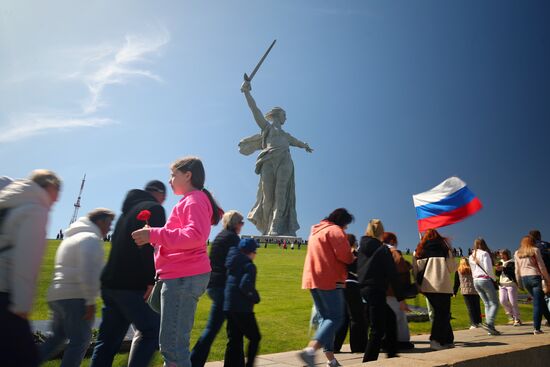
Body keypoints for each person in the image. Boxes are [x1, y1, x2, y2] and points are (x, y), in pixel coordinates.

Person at [132, 156, 222, 367]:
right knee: (171, 346)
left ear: (188, 175)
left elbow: (194, 236)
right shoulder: (190, 200)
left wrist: (154, 235)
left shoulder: (194, 200)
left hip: (184, 277)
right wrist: (154, 238)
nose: (170, 180)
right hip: (177, 276)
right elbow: (181, 237)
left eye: (173, 174)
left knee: (172, 347)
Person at [91, 180, 167, 367]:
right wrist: (151, 280)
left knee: (106, 342)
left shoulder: (125, 213)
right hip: (133, 285)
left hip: (111, 284)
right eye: (164, 195)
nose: (164, 200)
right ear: (157, 193)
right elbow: (149, 245)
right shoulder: (154, 209)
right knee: (151, 331)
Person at [0, 170, 61, 367]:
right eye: (57, 189)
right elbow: (26, 260)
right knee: (25, 359)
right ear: (49, 186)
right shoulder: (35, 209)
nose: (57, 198)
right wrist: (22, 306)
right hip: (6, 292)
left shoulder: (10, 200)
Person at [39, 208, 115, 367]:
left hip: (57, 295)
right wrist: (90, 300)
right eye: (108, 223)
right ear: (100, 221)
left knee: (56, 339)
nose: (110, 228)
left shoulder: (70, 238)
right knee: (81, 341)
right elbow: (87, 271)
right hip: (76, 296)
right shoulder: (91, 239)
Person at [239, 79, 313, 236]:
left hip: (285, 161)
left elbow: (297, 142)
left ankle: (275, 227)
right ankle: (266, 228)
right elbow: (255, 110)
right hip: (268, 160)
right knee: (267, 198)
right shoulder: (267, 127)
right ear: (278, 115)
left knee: (281, 194)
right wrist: (247, 92)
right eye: (284, 115)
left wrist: (305, 145)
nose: (286, 118)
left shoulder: (286, 136)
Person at [299, 208, 355, 367]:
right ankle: (310, 351)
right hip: (329, 279)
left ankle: (331, 359)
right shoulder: (334, 230)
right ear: (342, 221)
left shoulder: (316, 231)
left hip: (313, 279)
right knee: (336, 318)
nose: (346, 228)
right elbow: (345, 255)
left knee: (326, 319)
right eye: (346, 225)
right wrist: (353, 255)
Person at [190, 210, 245, 367]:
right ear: (235, 223)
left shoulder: (220, 237)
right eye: (241, 222)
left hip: (215, 286)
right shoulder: (232, 238)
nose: (242, 226)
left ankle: (194, 362)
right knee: (234, 330)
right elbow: (235, 265)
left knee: (213, 329)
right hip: (225, 288)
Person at [358, 220, 406, 362]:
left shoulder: (361, 248)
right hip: (376, 289)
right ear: (381, 233)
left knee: (390, 318)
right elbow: (392, 274)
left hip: (364, 289)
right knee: (377, 329)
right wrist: (401, 299)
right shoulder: (383, 249)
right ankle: (368, 362)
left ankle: (391, 354)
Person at [413, 229, 457, 350]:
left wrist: (418, 285)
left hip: (427, 286)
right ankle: (435, 340)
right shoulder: (445, 249)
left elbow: (415, 270)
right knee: (442, 313)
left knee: (441, 313)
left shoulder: (419, 251)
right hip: (442, 285)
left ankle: (448, 340)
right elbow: (452, 268)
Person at [223, 238, 261, 367]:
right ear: (250, 252)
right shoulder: (249, 265)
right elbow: (245, 284)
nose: (255, 254)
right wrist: (255, 297)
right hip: (242, 309)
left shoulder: (233, 262)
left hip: (228, 306)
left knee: (234, 340)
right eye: (255, 251)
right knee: (255, 337)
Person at [333, 234, 367, 353]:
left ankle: (335, 345)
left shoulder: (339, 254)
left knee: (342, 317)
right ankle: (358, 346)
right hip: (352, 285)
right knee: (356, 317)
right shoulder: (354, 255)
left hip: (339, 286)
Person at [382, 232, 414, 351]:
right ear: (392, 241)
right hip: (392, 290)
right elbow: (400, 266)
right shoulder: (393, 251)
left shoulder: (376, 250)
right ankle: (402, 341)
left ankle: (385, 340)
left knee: (385, 317)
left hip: (379, 290)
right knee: (399, 316)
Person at [514, 235, 550, 334]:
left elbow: (517, 270)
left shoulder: (517, 253)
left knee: (541, 301)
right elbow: (541, 266)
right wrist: (548, 279)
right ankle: (537, 328)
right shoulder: (535, 250)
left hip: (525, 280)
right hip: (535, 277)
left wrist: (519, 283)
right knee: (538, 303)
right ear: (532, 242)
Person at [468, 238, 500, 335]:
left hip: (476, 280)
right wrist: (494, 279)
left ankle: (490, 327)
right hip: (485, 279)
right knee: (494, 303)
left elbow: (473, 270)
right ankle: (489, 324)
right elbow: (488, 269)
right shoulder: (484, 254)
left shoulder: (471, 256)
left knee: (487, 303)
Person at [453, 257, 482, 329]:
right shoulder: (473, 269)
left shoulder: (459, 271)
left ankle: (473, 323)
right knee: (477, 307)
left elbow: (456, 282)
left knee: (470, 308)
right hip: (475, 290)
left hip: (466, 291)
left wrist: (454, 292)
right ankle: (479, 322)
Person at [495, 249, 521, 326]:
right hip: (502, 284)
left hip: (511, 284)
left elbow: (512, 272)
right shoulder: (500, 262)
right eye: (500, 254)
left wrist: (503, 268)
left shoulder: (512, 262)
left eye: (502, 254)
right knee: (502, 301)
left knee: (513, 302)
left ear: (507, 254)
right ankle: (511, 315)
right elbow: (498, 274)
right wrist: (497, 269)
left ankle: (517, 318)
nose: (501, 256)